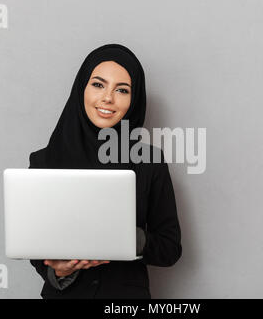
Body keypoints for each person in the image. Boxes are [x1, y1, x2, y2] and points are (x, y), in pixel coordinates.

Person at [28, 43, 182, 299]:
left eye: (122, 90)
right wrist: (60, 271)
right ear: (81, 89)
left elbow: (170, 248)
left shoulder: (149, 161)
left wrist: (126, 238)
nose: (108, 98)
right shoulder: (44, 160)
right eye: (98, 85)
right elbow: (33, 245)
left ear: (134, 100)